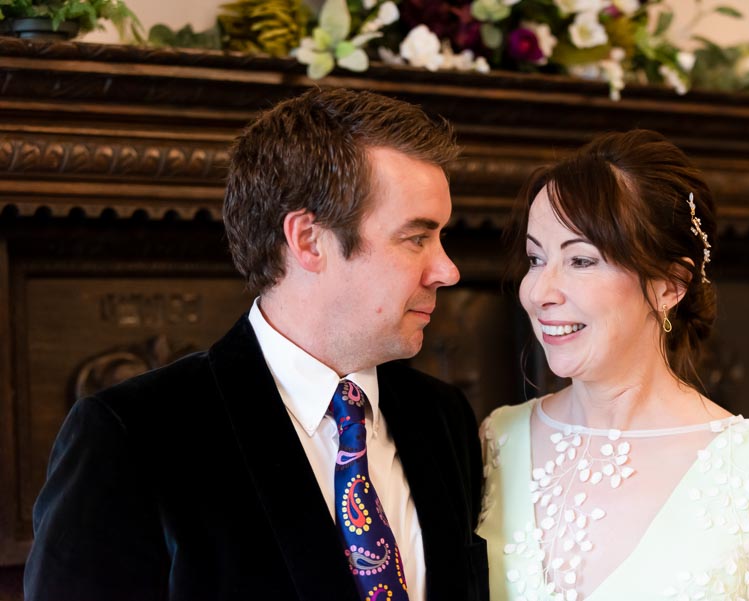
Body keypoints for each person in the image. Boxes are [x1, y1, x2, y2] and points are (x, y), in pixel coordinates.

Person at [26, 88, 488, 601]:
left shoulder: (444, 418)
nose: (448, 270)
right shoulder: (130, 437)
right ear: (309, 240)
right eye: (416, 237)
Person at [477, 129, 749, 601]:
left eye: (581, 260)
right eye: (535, 258)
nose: (540, 291)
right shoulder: (496, 441)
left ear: (671, 285)